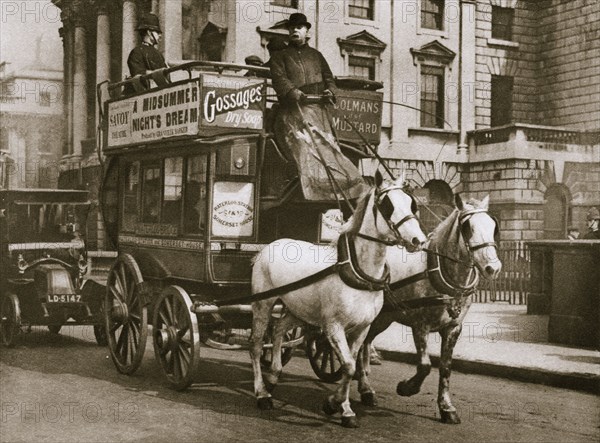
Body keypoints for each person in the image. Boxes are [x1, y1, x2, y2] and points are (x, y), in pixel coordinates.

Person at [269, 13, 368, 202]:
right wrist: (294, 93)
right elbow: (279, 79)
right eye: (291, 28)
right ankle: (314, 185)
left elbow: (329, 78)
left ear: (307, 31)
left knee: (328, 145)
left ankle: (343, 184)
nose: (294, 30)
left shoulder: (316, 55)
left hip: (318, 112)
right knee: (306, 143)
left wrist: (330, 91)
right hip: (292, 113)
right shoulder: (280, 57)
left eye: (299, 27)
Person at [127, 13, 168, 88]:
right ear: (149, 32)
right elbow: (138, 74)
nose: (160, 35)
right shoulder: (136, 52)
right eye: (157, 32)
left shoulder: (158, 54)